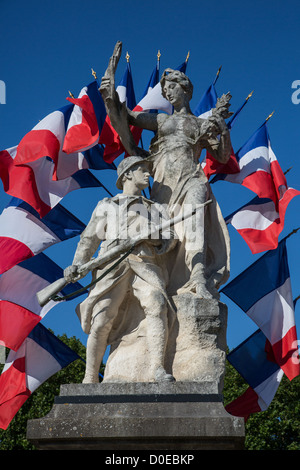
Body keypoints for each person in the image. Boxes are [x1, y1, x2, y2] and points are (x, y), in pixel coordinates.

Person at [100, 42, 231, 299]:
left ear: (185, 89)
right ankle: (165, 286)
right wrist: (109, 89)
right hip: (163, 185)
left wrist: (222, 128)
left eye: (172, 87)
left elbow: (222, 156)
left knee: (194, 220)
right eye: (165, 89)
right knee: (164, 235)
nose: (167, 92)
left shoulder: (200, 124)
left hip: (191, 179)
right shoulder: (161, 121)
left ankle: (197, 276)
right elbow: (125, 115)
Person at [64, 156, 177, 383]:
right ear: (127, 174)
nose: (148, 174)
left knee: (157, 303)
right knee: (102, 319)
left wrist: (153, 237)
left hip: (144, 262)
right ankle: (90, 377)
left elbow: (170, 239)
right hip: (111, 264)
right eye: (142, 170)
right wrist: (77, 265)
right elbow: (89, 240)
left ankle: (157, 368)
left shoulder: (156, 209)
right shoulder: (107, 205)